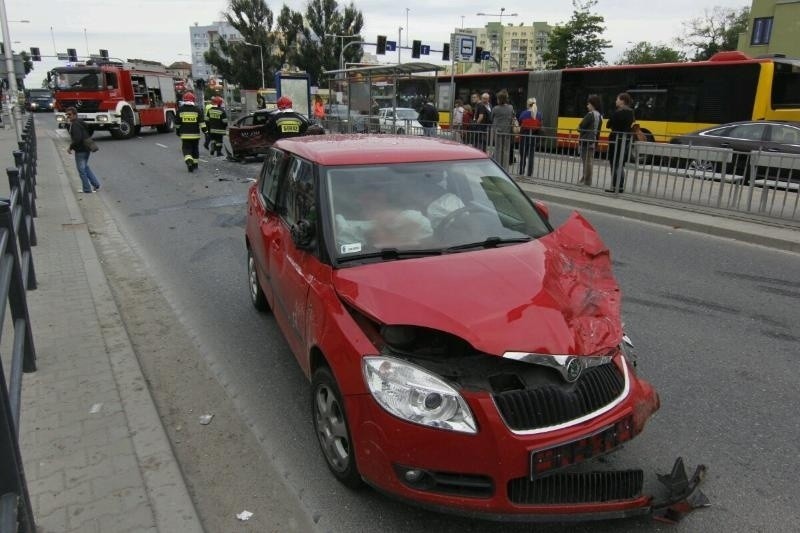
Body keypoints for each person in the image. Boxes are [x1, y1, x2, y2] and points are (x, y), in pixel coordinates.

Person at [65, 107, 101, 193]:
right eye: (67, 115)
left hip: (80, 150)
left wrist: (70, 147)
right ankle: (96, 184)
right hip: (86, 148)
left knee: (81, 170)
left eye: (69, 114)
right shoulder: (80, 122)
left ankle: (87, 189)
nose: (68, 116)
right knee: (85, 167)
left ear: (75, 114)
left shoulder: (75, 124)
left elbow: (77, 138)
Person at [606, 92, 635, 193]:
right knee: (620, 163)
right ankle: (620, 186)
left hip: (615, 140)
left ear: (622, 101)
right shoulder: (631, 112)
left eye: (617, 99)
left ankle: (615, 186)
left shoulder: (617, 112)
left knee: (614, 163)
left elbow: (608, 125)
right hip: (625, 140)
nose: (616, 101)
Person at [174, 91, 207, 173]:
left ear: (184, 100)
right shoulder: (197, 110)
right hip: (195, 135)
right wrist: (205, 132)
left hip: (185, 135)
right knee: (195, 149)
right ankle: (195, 165)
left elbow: (177, 123)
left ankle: (189, 161)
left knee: (186, 149)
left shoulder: (180, 110)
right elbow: (202, 123)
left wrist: (178, 131)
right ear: (193, 100)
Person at [578, 94, 603, 186]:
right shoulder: (600, 116)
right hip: (594, 141)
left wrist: (579, 128)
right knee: (589, 160)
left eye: (588, 104)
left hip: (586, 141)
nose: (587, 106)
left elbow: (580, 127)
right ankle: (585, 178)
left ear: (593, 104)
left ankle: (587, 180)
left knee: (586, 161)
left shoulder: (590, 115)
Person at [491, 90, 515, 169]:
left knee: (498, 149)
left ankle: (498, 166)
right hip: (507, 132)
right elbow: (512, 117)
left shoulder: (495, 108)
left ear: (499, 99)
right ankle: (505, 167)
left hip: (498, 132)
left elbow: (491, 118)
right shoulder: (510, 107)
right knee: (506, 150)